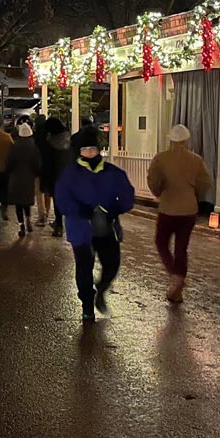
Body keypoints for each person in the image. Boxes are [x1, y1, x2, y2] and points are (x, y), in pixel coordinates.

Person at [54, 126, 135, 320]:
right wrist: (82, 211)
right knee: (84, 268)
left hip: (107, 229)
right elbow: (62, 200)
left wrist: (112, 211)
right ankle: (87, 304)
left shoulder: (112, 173)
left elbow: (127, 196)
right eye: (85, 150)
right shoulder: (70, 175)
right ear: (79, 152)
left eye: (93, 149)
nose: (90, 153)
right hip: (81, 229)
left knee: (112, 264)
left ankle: (101, 289)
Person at [147, 124, 213, 303]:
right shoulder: (196, 159)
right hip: (189, 209)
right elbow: (206, 182)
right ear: (186, 139)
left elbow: (153, 181)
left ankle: (174, 276)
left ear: (171, 139)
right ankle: (179, 282)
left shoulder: (161, 159)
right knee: (181, 247)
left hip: (168, 208)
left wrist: (159, 193)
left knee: (161, 242)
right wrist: (194, 195)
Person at [5, 122, 42, 237]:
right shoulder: (34, 148)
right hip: (29, 178)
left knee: (18, 204)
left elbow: (8, 163)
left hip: (15, 179)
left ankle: (21, 225)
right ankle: (28, 218)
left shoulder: (14, 146)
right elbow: (38, 165)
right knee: (26, 201)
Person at [40, 117, 72, 236]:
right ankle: (64, 224)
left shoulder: (50, 144)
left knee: (58, 202)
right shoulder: (69, 141)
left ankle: (59, 225)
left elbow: (47, 163)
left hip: (55, 177)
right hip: (68, 176)